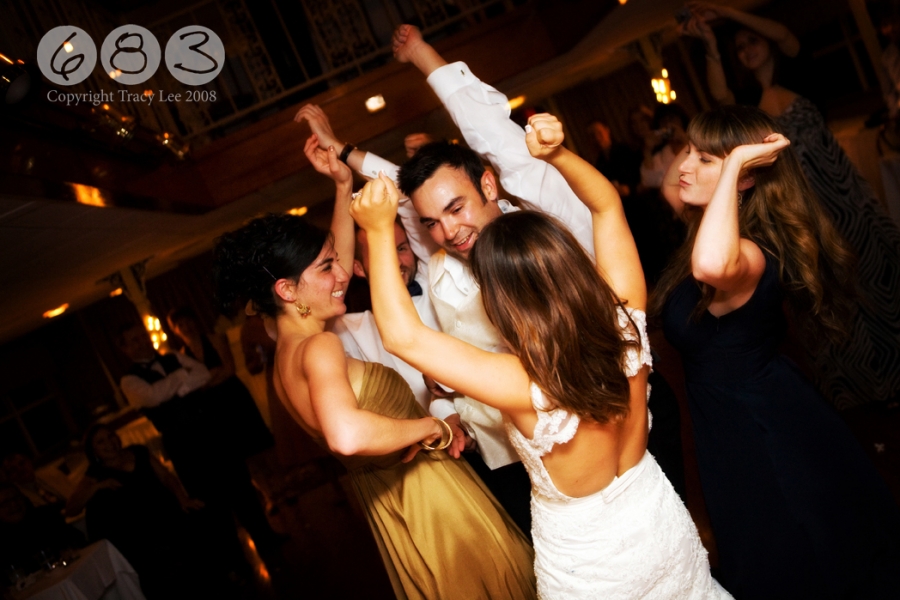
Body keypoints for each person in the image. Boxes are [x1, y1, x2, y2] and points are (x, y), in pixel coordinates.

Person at [303, 24, 688, 531]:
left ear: (488, 186)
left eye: (457, 209)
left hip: (623, 424)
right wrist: (344, 154)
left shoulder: (544, 222)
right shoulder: (438, 259)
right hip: (516, 459)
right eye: (432, 223)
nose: (448, 231)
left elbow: (501, 143)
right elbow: (408, 194)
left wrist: (423, 56)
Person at [352, 112, 728, 599]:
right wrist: (558, 154)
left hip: (590, 570)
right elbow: (606, 205)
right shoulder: (626, 322)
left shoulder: (523, 384)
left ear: (501, 305)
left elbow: (402, 337)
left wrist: (376, 232)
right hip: (660, 523)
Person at [211, 134, 535, 600]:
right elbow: (347, 435)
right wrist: (432, 428)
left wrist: (343, 187)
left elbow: (331, 266)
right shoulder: (320, 346)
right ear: (287, 290)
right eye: (327, 268)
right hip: (430, 497)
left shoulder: (286, 353)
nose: (342, 273)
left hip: (390, 503)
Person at [653, 104, 900, 599]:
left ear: (743, 179)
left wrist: (736, 162)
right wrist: (711, 142)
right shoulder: (707, 225)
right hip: (735, 423)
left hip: (764, 431)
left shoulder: (747, 251)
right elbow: (669, 187)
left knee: (802, 559)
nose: (685, 166)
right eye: (688, 151)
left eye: (705, 159)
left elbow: (710, 266)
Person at [681, 1, 900, 409]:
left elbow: (784, 36)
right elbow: (720, 95)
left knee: (873, 279)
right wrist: (712, 44)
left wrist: (727, 13)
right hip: (798, 207)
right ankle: (859, 387)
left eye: (752, 41)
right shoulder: (748, 102)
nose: (746, 50)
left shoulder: (800, 73)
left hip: (844, 201)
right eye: (740, 47)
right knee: (823, 294)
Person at [66, 424, 233, 599]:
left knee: (202, 517)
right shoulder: (95, 474)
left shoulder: (138, 452)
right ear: (93, 451)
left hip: (168, 513)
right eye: (101, 442)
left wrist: (182, 499)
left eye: (110, 436)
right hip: (141, 532)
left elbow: (166, 477)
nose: (109, 443)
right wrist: (97, 487)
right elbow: (71, 509)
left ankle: (224, 580)